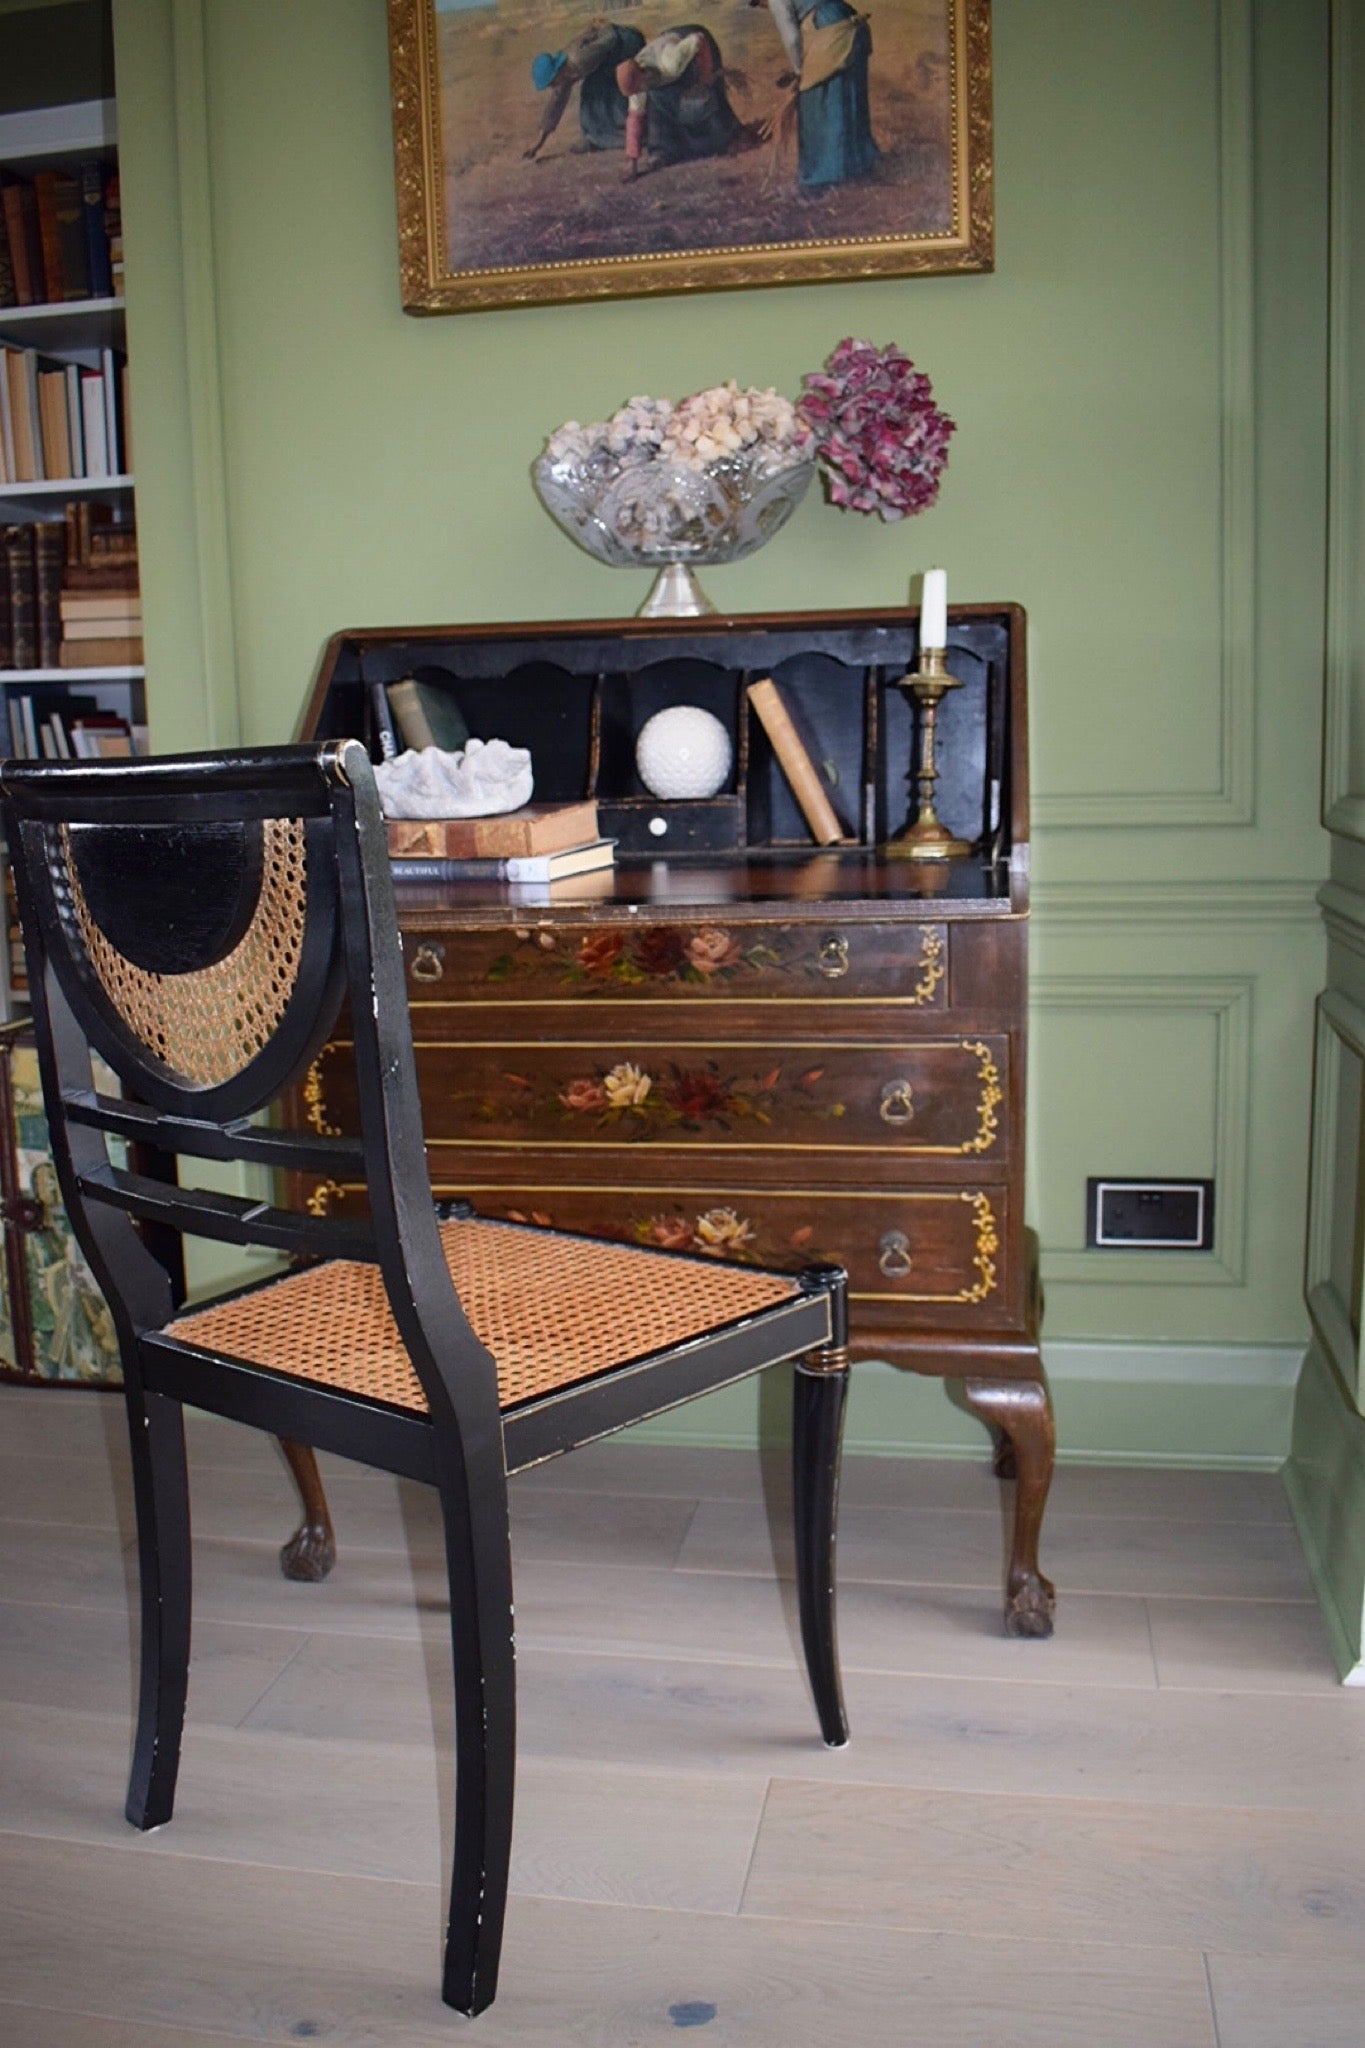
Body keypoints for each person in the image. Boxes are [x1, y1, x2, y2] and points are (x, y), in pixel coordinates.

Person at [765, 0, 878, 188]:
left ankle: (824, 175)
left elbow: (792, 39)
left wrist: (798, 70)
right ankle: (859, 164)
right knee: (847, 91)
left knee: (817, 100)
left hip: (829, 27)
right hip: (847, 21)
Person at [614, 23, 751, 178]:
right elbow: (635, 118)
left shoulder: (670, 61)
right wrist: (632, 160)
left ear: (641, 76)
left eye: (637, 89)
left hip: (694, 44)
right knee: (657, 103)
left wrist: (705, 80)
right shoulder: (638, 85)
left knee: (706, 98)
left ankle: (731, 137)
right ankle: (664, 151)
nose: (637, 93)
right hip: (669, 57)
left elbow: (699, 39)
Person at [525, 19, 646, 160]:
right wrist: (538, 143)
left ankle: (633, 134)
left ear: (557, 72)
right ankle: (595, 138)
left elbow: (611, 37)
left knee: (605, 92)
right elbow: (555, 105)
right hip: (608, 55)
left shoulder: (579, 59)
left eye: (551, 82)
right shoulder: (565, 73)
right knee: (591, 93)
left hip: (626, 43)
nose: (552, 87)